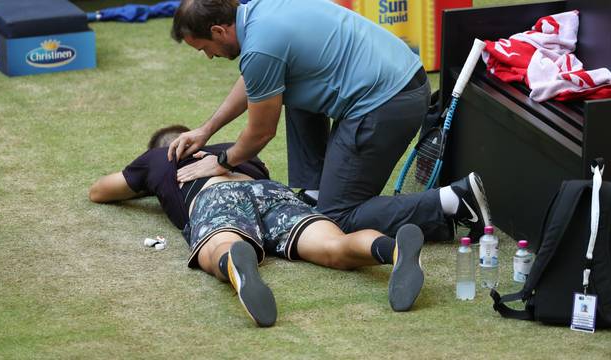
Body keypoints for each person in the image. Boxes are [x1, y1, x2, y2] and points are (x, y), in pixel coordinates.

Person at [167, 0, 490, 242]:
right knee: (287, 90)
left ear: (218, 31)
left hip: (386, 106)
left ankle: (454, 200)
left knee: (339, 217)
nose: (209, 56)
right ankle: (317, 189)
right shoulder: (264, 11)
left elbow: (261, 132)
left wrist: (222, 161)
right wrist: (206, 130)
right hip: (400, 81)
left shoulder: (261, 49)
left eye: (205, 48)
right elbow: (257, 82)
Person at [89, 125, 432, 327]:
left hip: (215, 197)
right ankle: (393, 249)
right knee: (334, 247)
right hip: (268, 191)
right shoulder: (234, 151)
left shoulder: (158, 160)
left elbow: (99, 191)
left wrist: (153, 184)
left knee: (218, 243)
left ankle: (234, 260)